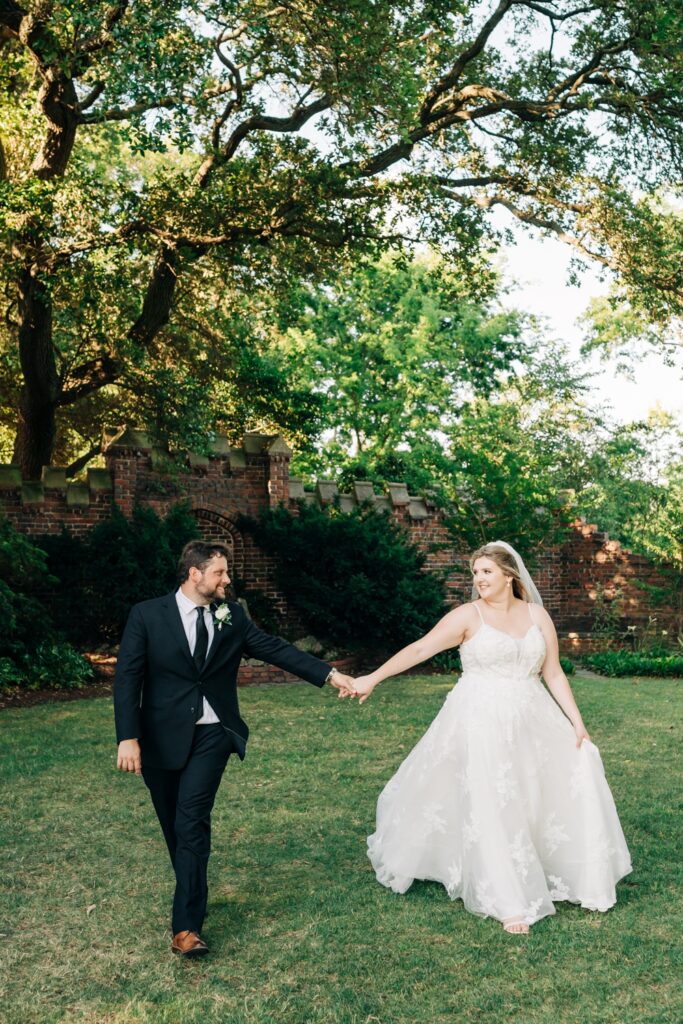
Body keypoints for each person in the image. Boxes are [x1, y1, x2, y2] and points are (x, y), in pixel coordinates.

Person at [351, 541, 632, 934]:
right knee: (491, 798)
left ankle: (547, 866)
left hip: (532, 715)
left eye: (486, 572)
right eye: (475, 573)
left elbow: (553, 673)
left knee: (534, 793)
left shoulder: (537, 615)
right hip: (479, 716)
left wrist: (577, 723)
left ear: (509, 576)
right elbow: (420, 649)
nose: (479, 579)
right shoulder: (468, 616)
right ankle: (506, 897)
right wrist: (372, 678)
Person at [115, 540, 355, 957]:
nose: (227, 579)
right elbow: (127, 679)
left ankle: (186, 928)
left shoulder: (232, 615)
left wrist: (330, 675)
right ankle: (192, 887)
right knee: (174, 825)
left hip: (213, 734)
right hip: (160, 738)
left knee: (191, 821)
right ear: (195, 574)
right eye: (220, 573)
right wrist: (127, 736)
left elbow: (275, 649)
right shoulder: (147, 615)